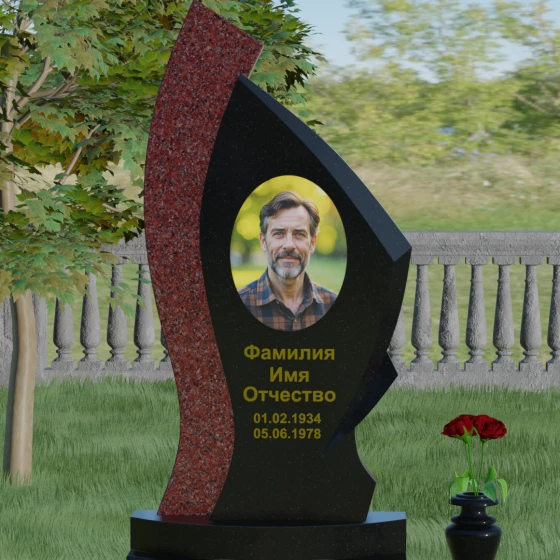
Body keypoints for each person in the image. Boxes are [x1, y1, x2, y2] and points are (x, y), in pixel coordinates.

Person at [238, 190, 337, 331]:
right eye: (279, 233)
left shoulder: (333, 305)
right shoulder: (238, 305)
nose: (289, 245)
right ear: (263, 241)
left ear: (313, 243)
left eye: (299, 234)